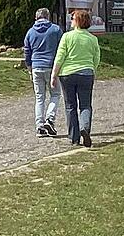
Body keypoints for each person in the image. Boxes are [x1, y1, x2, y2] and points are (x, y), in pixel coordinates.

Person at [51, 10, 100, 147]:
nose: (70, 20)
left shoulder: (67, 37)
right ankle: (85, 127)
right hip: (86, 73)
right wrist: (91, 69)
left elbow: (59, 57)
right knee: (85, 105)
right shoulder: (92, 39)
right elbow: (96, 58)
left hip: (67, 74)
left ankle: (74, 137)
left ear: (77, 21)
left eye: (72, 18)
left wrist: (54, 75)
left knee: (70, 106)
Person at [23, 8, 63, 138]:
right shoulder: (56, 30)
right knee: (55, 94)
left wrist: (30, 68)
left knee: (39, 97)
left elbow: (27, 52)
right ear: (48, 17)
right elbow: (62, 49)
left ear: (36, 18)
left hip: (36, 66)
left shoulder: (30, 32)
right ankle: (50, 119)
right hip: (51, 66)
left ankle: (39, 125)